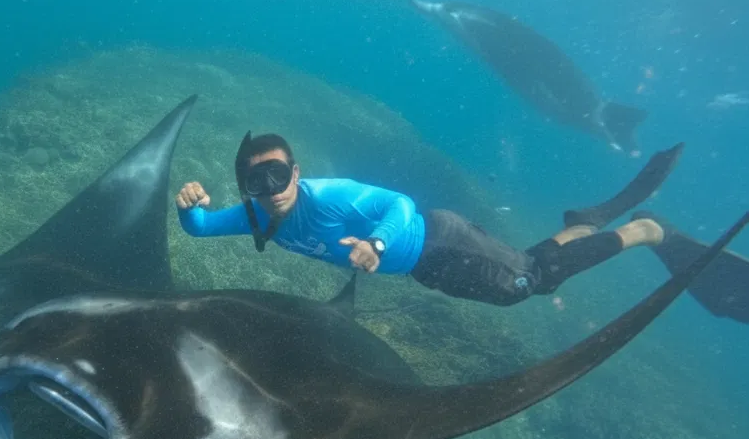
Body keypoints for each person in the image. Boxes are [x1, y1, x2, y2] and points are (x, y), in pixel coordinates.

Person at [174, 132, 683, 307]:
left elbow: (400, 205)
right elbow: (200, 230)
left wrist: (375, 243)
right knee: (528, 270)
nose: (271, 192)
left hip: (442, 242)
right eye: (255, 184)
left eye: (279, 176)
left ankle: (642, 230)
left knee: (530, 282)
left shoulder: (328, 197)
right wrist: (187, 207)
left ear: (296, 172)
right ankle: (581, 223)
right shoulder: (256, 218)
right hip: (423, 268)